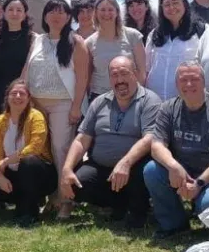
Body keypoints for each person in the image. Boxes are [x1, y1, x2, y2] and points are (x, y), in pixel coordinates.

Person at [143, 61, 209, 237]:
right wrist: (173, 166)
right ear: (176, 84)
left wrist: (199, 183)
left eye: (194, 79)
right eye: (183, 80)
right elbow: (156, 145)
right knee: (151, 170)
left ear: (204, 82)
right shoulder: (168, 108)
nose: (188, 84)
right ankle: (174, 225)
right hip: (182, 172)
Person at [60, 56, 160, 227]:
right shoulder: (99, 102)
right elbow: (82, 138)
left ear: (135, 74)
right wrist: (67, 169)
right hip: (102, 167)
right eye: (114, 75)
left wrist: (125, 163)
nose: (119, 80)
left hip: (134, 166)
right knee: (77, 183)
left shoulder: (150, 100)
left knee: (143, 171)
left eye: (124, 73)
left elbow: (149, 138)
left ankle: (138, 212)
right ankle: (118, 206)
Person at [22, 0, 89, 219]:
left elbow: (82, 77)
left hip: (63, 103)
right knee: (42, 151)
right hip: (36, 104)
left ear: (69, 17)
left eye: (62, 12)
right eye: (52, 11)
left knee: (61, 150)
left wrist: (76, 107)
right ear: (45, 16)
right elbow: (27, 70)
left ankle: (66, 200)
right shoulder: (38, 40)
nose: (57, 16)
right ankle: (50, 196)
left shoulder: (75, 41)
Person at [0, 79, 56, 225]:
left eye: (22, 94)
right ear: (7, 97)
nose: (18, 96)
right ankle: (21, 202)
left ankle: (30, 212)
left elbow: (35, 148)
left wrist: (6, 161)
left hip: (40, 173)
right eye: (14, 93)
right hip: (13, 173)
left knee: (28, 162)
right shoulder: (0, 121)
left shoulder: (36, 116)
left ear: (28, 98)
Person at [145, 0, 205, 100]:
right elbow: (146, 68)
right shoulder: (155, 34)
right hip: (154, 99)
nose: (171, 8)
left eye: (175, 3)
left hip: (186, 99)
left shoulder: (200, 31)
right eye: (167, 4)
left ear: (185, 5)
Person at [85, 0, 146, 99]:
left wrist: (134, 95)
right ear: (96, 13)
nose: (106, 13)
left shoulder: (133, 36)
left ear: (117, 12)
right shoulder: (89, 43)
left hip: (130, 96)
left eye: (110, 10)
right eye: (102, 10)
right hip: (100, 97)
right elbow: (87, 76)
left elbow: (142, 72)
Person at [0, 0, 33, 115]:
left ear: (25, 14)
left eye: (19, 10)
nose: (14, 13)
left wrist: (19, 88)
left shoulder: (32, 39)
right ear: (4, 13)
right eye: (10, 9)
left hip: (23, 92)